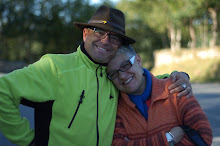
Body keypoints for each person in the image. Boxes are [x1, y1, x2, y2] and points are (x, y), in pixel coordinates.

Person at [0, 5, 192, 146]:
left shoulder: (115, 74)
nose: (106, 40)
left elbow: (142, 80)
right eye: (99, 31)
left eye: (114, 37)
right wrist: (27, 139)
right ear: (85, 34)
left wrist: (177, 75)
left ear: (119, 45)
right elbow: (3, 90)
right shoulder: (55, 66)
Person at [107, 45, 213, 145]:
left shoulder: (175, 89)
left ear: (138, 61)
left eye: (125, 65)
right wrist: (169, 138)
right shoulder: (116, 108)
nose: (122, 76)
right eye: (114, 74)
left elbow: (203, 136)